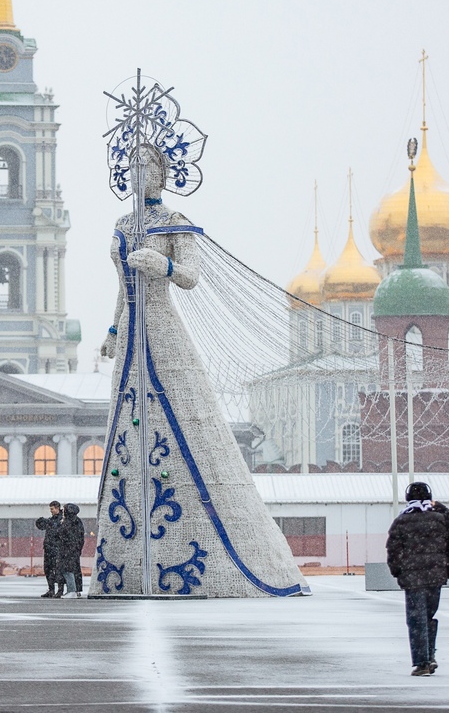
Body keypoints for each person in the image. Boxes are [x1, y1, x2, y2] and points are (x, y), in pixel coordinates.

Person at [94, 138, 306, 597]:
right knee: (128, 419)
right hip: (131, 325)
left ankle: (204, 548)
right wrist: (112, 331)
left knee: (186, 415)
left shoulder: (174, 221)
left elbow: (190, 276)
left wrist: (162, 263)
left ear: (162, 173)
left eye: (147, 166)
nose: (139, 174)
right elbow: (120, 285)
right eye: (132, 167)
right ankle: (128, 561)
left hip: (161, 321)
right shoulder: (121, 222)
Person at [385, 482, 449, 676]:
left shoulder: (401, 521)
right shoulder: (438, 519)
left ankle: (422, 662)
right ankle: (430, 656)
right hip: (435, 576)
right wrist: (438, 505)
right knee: (428, 616)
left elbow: (393, 551)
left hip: (412, 578)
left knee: (416, 619)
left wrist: (398, 572)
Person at [35, 501, 64, 597]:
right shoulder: (51, 520)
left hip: (57, 548)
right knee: (48, 569)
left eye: (52, 509)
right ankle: (51, 589)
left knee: (58, 570)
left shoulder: (62, 520)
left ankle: (60, 590)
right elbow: (42, 527)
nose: (51, 511)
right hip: (49, 548)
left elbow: (58, 531)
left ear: (57, 508)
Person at [58, 503, 85, 598]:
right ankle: (76, 590)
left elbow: (65, 536)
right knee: (75, 570)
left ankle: (71, 590)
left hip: (68, 550)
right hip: (74, 550)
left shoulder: (69, 522)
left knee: (67, 569)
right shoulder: (77, 521)